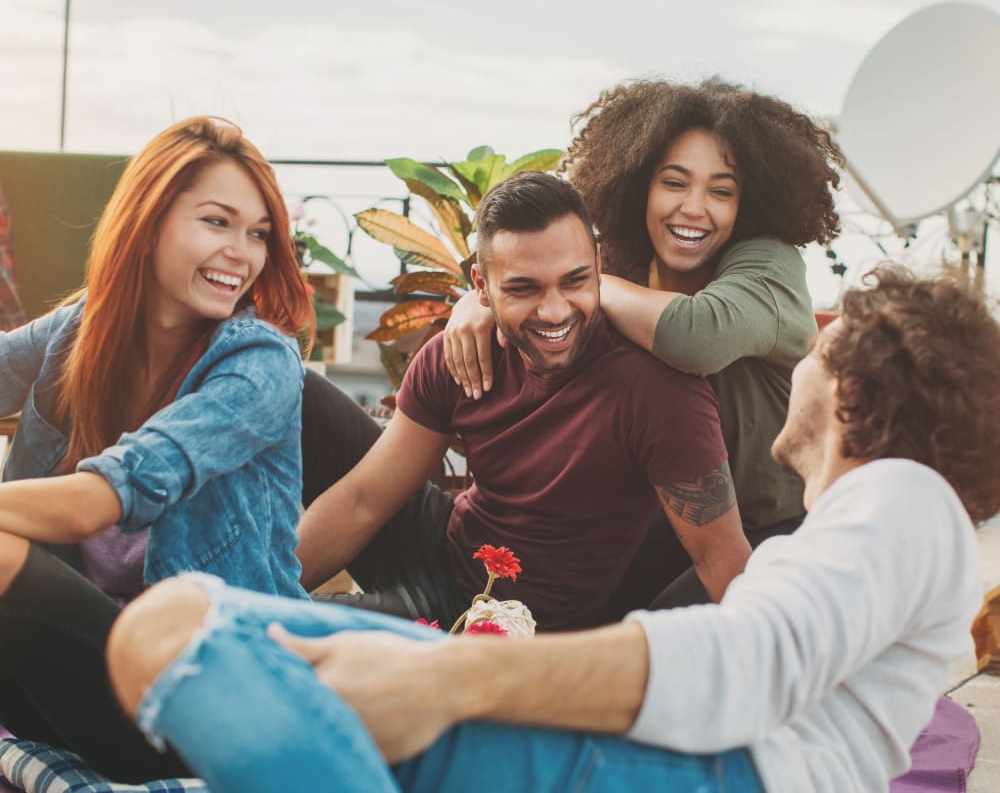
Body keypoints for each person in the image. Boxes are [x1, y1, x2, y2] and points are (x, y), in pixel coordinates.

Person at [109, 263, 1000, 792]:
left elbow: (750, 663)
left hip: (705, 772)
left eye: (819, 345)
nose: (799, 358)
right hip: (659, 753)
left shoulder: (905, 497)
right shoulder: (871, 522)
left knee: (182, 643)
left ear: (854, 381)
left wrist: (456, 676)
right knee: (172, 624)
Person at [443, 77, 843, 611]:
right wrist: (482, 299)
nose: (694, 208)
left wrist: (559, 286)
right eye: (674, 183)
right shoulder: (628, 263)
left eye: (721, 190)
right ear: (640, 185)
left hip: (775, 529)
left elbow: (695, 336)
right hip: (660, 522)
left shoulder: (770, 267)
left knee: (650, 647)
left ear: (747, 203)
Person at [295, 171, 749, 632]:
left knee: (294, 636)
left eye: (574, 281)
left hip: (505, 624)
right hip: (444, 542)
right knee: (292, 388)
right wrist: (260, 592)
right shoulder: (464, 353)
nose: (555, 311)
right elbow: (364, 500)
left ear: (598, 263)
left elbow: (722, 562)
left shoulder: (657, 389)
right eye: (523, 288)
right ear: (481, 285)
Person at [0, 116, 314, 781]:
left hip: (204, 692)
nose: (243, 251)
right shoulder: (83, 329)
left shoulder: (259, 366)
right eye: (217, 221)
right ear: (146, 223)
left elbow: (97, 502)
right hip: (68, 680)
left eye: (258, 233)